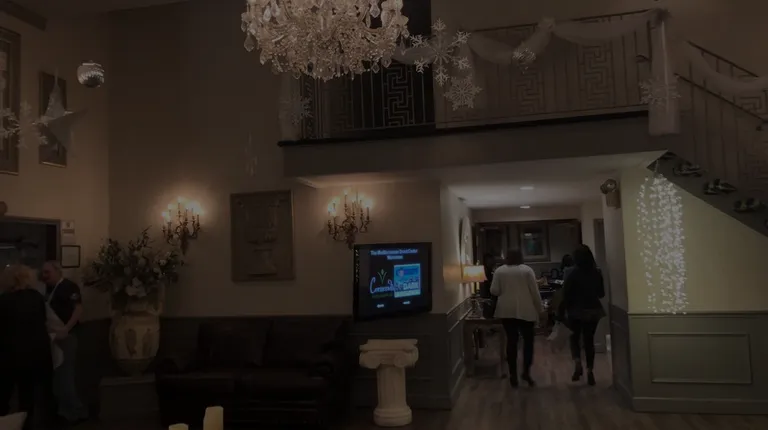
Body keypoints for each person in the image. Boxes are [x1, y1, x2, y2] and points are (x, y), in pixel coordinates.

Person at [0, 264, 54, 430]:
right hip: (37, 354)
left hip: (11, 355)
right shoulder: (36, 298)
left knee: (4, 396)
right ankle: (27, 425)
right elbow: (43, 321)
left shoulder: (4, 300)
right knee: (28, 397)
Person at [41, 261, 88, 425]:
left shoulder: (69, 286)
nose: (44, 276)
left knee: (65, 375)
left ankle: (76, 411)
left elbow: (78, 309)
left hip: (67, 336)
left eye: (47, 272)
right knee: (58, 377)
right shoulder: (48, 289)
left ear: (57, 271)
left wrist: (66, 328)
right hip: (53, 337)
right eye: (43, 273)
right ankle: (65, 411)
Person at [490, 250, 543, 387]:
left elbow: (494, 291)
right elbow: (535, 293)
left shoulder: (500, 271)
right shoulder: (527, 270)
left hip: (506, 310)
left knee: (511, 342)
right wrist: (541, 310)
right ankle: (526, 372)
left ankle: (513, 375)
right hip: (526, 310)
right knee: (528, 342)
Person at [558, 245, 605, 386]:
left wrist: (561, 312)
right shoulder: (597, 272)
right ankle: (590, 370)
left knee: (574, 338)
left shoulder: (572, 273)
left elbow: (566, 295)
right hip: (593, 310)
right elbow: (601, 294)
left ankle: (578, 362)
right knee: (589, 341)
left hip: (576, 311)